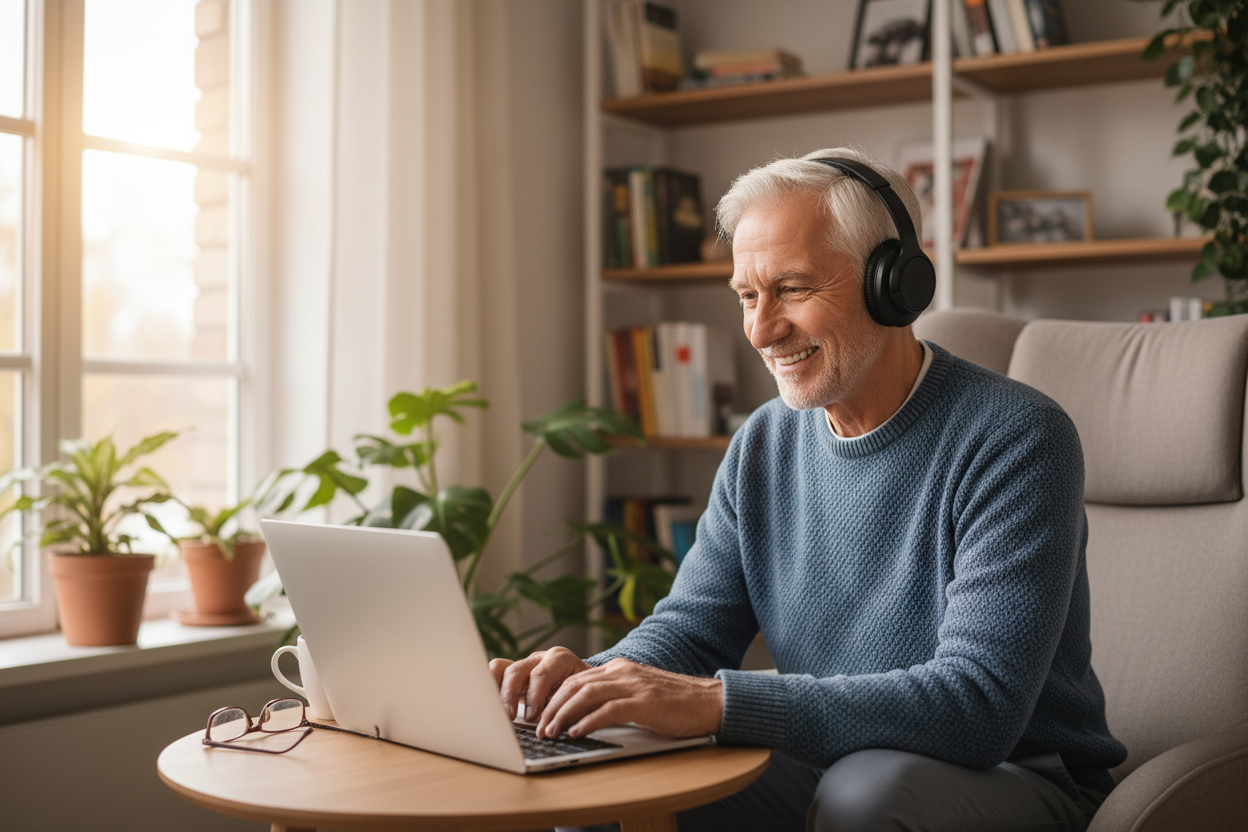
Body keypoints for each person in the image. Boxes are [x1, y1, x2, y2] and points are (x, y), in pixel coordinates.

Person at [490, 147, 1126, 832]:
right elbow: (691, 630)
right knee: (599, 785)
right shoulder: (762, 444)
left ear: (893, 283)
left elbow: (978, 707)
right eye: (746, 296)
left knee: (867, 797)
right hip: (831, 762)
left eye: (792, 289)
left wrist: (715, 704)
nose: (762, 330)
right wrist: (587, 684)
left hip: (1016, 779)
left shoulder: (1016, 436)